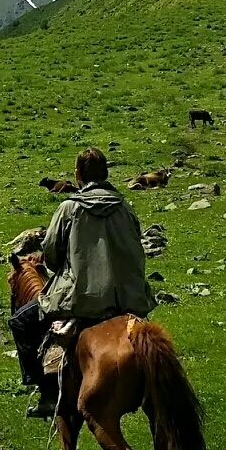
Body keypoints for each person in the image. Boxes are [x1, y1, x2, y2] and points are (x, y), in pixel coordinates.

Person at [18, 146, 154, 418]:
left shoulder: (69, 208)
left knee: (21, 322)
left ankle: (46, 394)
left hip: (81, 301)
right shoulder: (125, 208)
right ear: (105, 173)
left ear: (77, 175)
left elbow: (53, 257)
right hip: (128, 299)